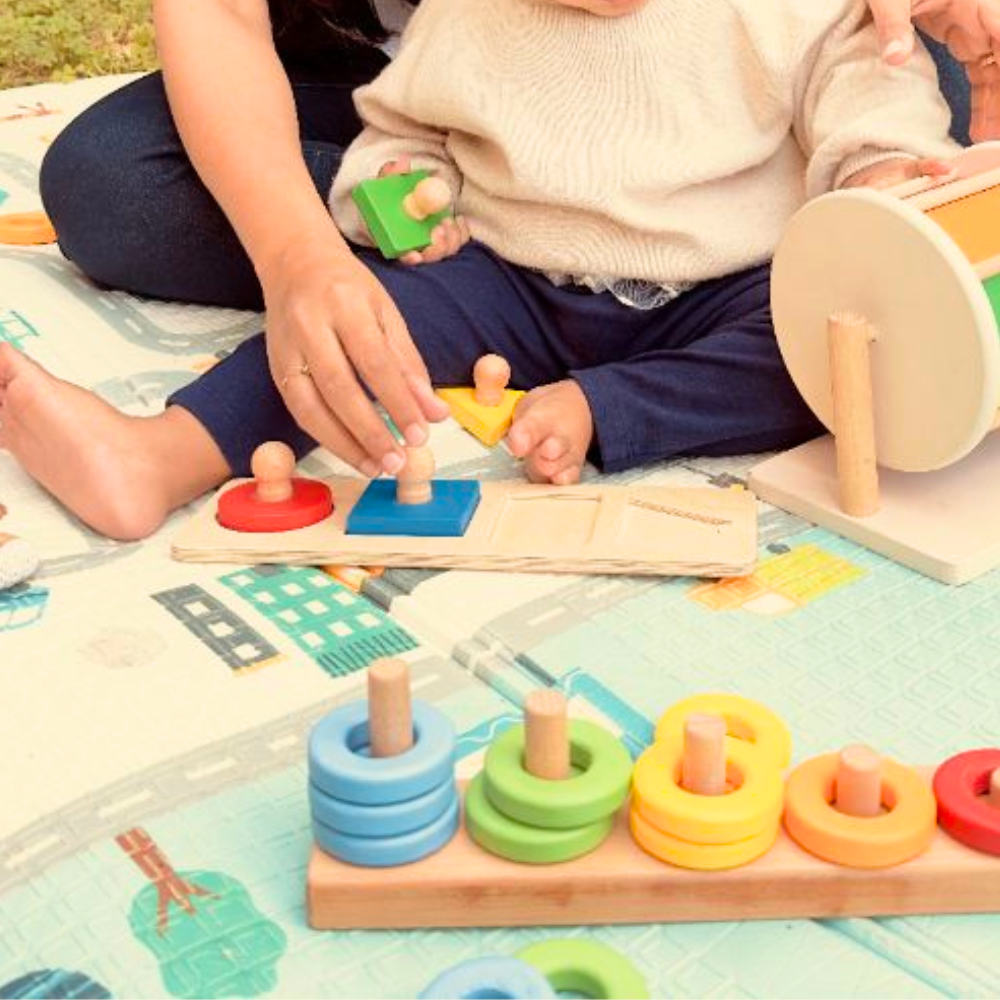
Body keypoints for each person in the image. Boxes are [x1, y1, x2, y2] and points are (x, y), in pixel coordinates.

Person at [3, 0, 961, 540]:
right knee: (359, 323)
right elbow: (406, 126)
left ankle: (616, 405)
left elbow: (871, 87)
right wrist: (396, 201)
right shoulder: (468, 16)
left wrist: (880, 175)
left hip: (728, 276)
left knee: (839, 342)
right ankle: (160, 453)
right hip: (511, 272)